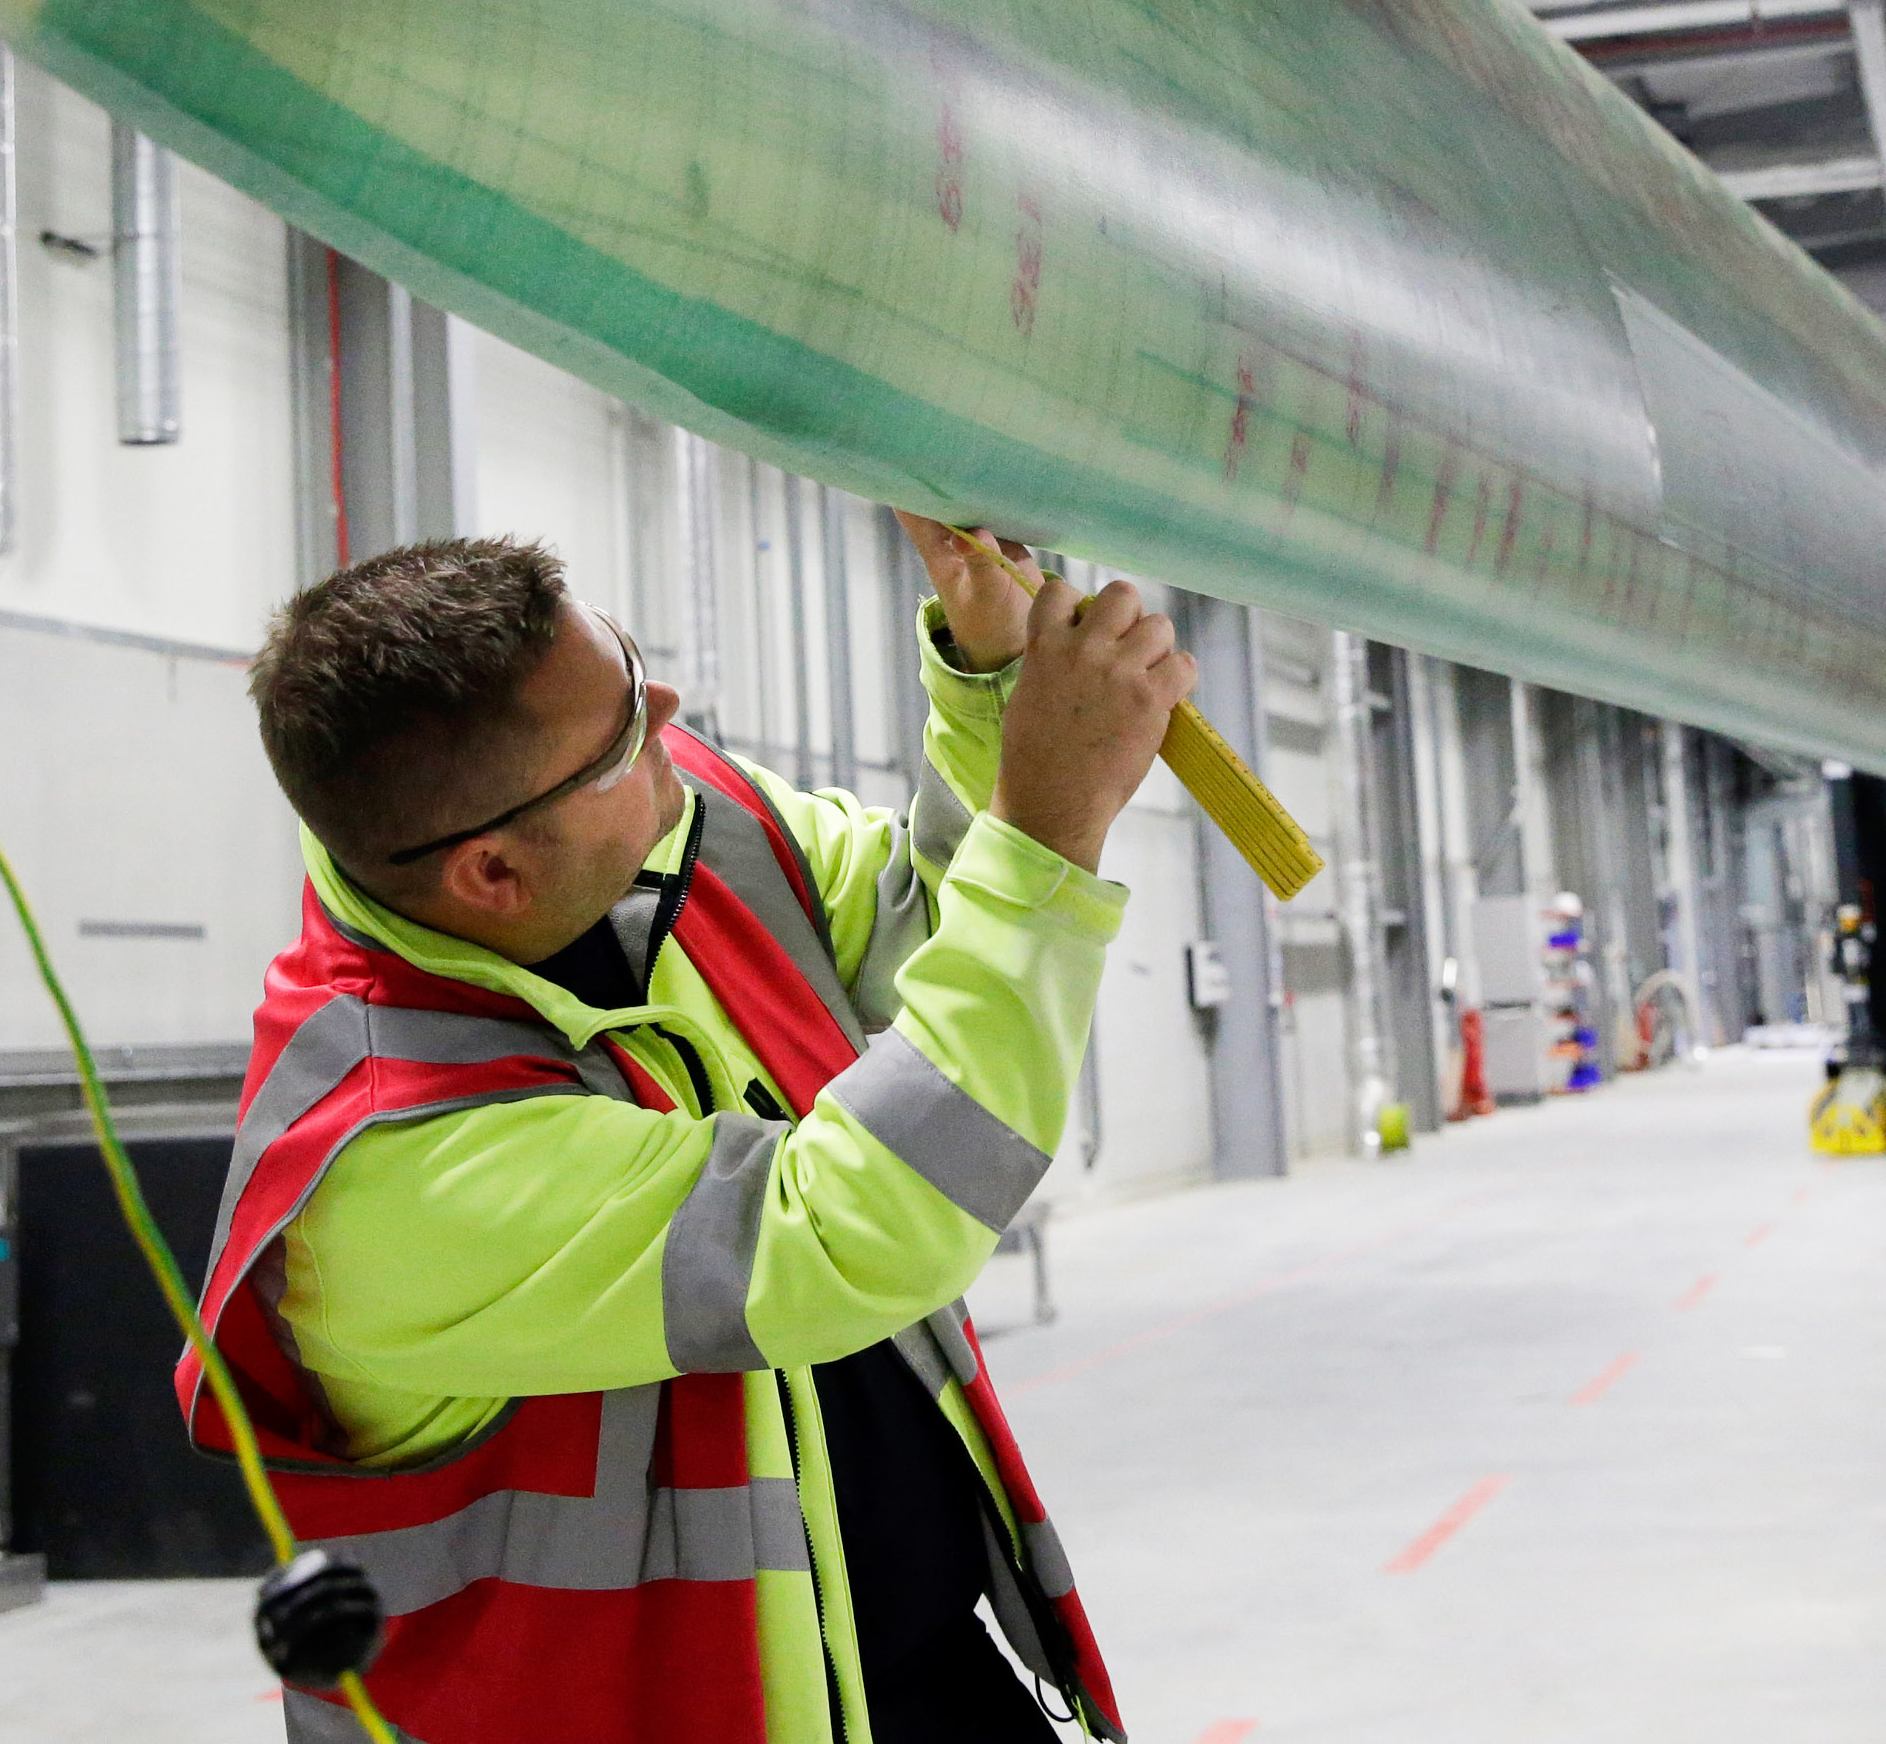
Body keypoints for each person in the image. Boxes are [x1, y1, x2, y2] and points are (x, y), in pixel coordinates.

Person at [187, 521, 1177, 1743]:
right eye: (619, 735)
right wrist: (1053, 832)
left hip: (897, 1671)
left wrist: (989, 690)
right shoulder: (391, 1158)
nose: (666, 706)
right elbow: (850, 1229)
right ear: (490, 873)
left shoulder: (668, 824)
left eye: (627, 660)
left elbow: (923, 924)